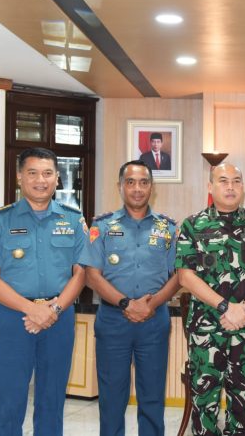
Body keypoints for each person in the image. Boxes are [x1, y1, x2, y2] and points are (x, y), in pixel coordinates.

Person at [0, 147, 88, 436]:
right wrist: (32, 309)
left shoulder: (73, 219)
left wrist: (53, 309)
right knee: (8, 401)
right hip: (13, 318)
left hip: (59, 317)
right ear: (20, 177)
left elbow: (81, 273)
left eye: (47, 173)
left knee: (52, 400)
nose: (40, 180)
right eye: (32, 173)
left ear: (57, 178)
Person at [176, 162, 245, 436]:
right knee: (204, 402)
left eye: (236, 181)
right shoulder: (193, 225)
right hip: (206, 329)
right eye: (223, 181)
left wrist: (244, 308)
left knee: (244, 404)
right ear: (210, 186)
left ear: (243, 187)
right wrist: (225, 307)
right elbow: (185, 276)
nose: (231, 186)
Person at [81, 160, 179, 436]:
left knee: (152, 396)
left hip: (154, 320)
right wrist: (126, 304)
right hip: (113, 321)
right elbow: (92, 275)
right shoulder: (102, 226)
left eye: (144, 182)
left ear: (152, 187)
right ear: (120, 186)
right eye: (131, 182)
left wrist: (151, 304)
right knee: (112, 398)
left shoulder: (168, 228)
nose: (137, 189)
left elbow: (179, 276)